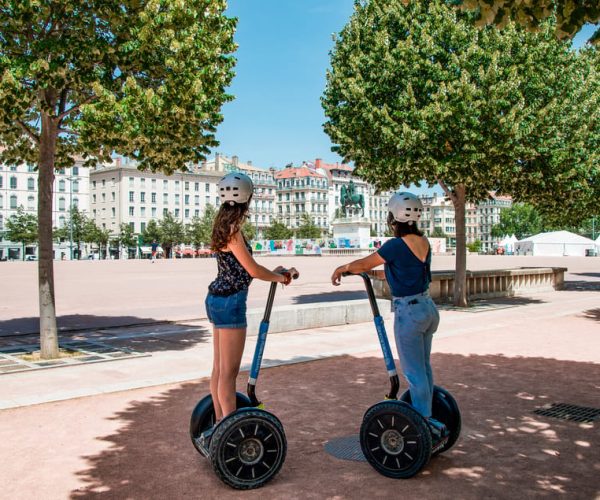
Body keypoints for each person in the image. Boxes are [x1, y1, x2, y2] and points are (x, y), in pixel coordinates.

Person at [331, 192, 447, 442]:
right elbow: (402, 273)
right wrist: (374, 275)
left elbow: (362, 263)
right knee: (424, 369)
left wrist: (343, 267)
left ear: (393, 216)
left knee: (414, 374)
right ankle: (428, 416)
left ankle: (426, 424)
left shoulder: (395, 245)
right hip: (427, 307)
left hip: (409, 313)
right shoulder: (423, 241)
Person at [199, 172, 297, 447]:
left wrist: (276, 271)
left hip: (217, 299)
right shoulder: (234, 230)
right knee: (228, 375)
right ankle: (226, 436)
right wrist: (281, 278)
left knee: (218, 370)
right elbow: (251, 269)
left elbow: (244, 268)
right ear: (247, 198)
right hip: (231, 303)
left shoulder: (221, 226)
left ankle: (219, 426)